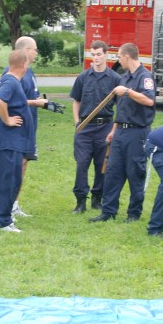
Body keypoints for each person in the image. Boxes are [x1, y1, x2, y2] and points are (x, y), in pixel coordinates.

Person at [90, 43, 156, 223]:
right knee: (112, 171)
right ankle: (108, 211)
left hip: (137, 132)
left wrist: (128, 91)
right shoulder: (124, 77)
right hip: (120, 132)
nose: (118, 60)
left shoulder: (145, 77)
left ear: (127, 56)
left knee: (135, 172)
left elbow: (149, 100)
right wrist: (113, 131)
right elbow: (121, 109)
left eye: (119, 56)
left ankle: (134, 213)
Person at [9, 36, 64, 218]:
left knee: (24, 165)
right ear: (25, 50)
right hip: (18, 127)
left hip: (30, 127)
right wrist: (39, 103)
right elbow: (11, 100)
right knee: (16, 166)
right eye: (34, 49)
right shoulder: (12, 73)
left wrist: (44, 102)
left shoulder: (30, 72)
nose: (36, 52)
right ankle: (7, 205)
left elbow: (30, 97)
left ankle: (15, 204)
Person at [70, 40, 121, 213]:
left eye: (99, 54)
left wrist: (114, 130)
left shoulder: (115, 79)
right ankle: (80, 201)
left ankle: (97, 198)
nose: (96, 58)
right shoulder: (83, 77)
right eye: (93, 54)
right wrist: (77, 122)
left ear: (106, 54)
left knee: (102, 166)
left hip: (104, 127)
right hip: (84, 128)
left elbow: (121, 107)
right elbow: (76, 102)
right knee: (82, 163)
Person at [0, 50, 35, 233]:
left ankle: (2, 218)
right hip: (7, 142)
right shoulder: (10, 81)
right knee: (6, 181)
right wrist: (7, 119)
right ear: (24, 64)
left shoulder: (11, 80)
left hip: (13, 142)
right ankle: (2, 221)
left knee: (11, 180)